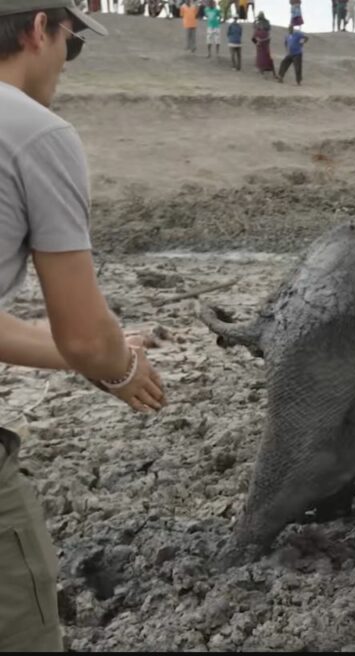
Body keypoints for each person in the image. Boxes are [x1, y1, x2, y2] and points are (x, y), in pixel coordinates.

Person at [0, 3, 166, 651]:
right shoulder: (36, 134)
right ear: (40, 28)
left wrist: (99, 353)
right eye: (73, 45)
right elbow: (83, 334)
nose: (66, 65)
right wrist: (118, 366)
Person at [252, 11, 277, 78]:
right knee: (266, 59)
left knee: (263, 59)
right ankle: (271, 73)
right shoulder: (265, 25)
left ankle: (263, 72)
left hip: (262, 45)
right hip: (264, 45)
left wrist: (257, 42)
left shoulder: (258, 27)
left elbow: (253, 37)